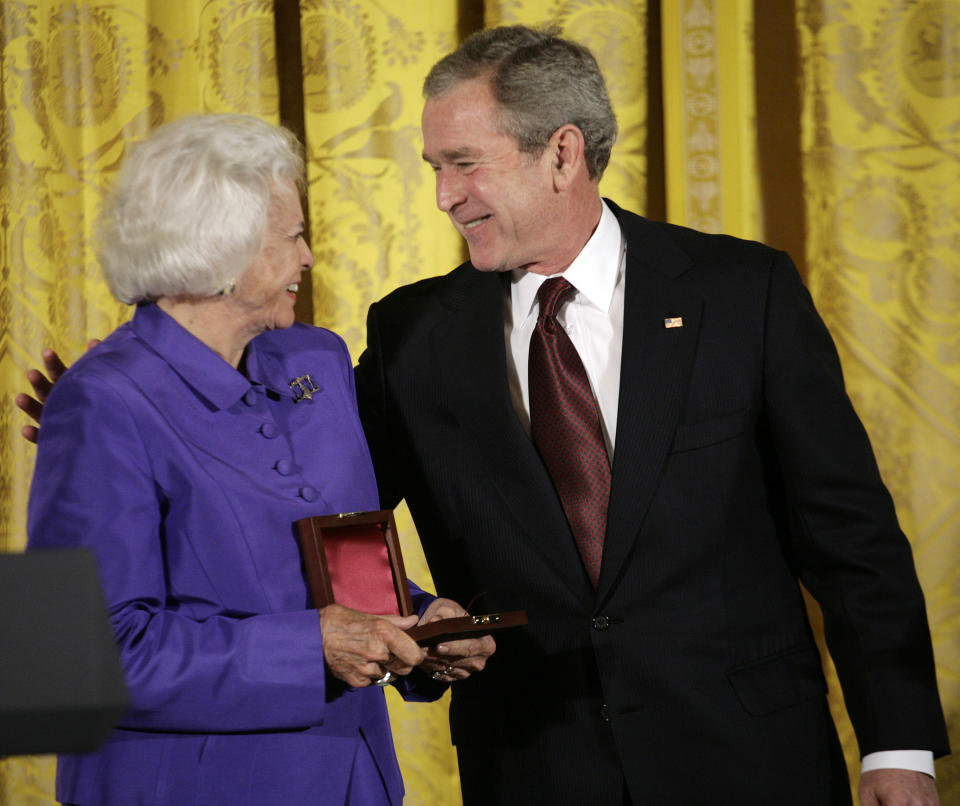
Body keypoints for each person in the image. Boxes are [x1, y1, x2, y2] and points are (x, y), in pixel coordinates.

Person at [19, 26, 949, 806]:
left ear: (563, 153)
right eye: (433, 166)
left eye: (464, 163)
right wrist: (120, 422)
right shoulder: (414, 332)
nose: (443, 195)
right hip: (533, 767)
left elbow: (850, 533)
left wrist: (899, 745)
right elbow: (323, 521)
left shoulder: (744, 293)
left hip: (747, 761)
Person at [22, 114, 493, 806]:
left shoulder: (318, 359)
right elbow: (77, 660)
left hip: (356, 778)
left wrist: (420, 629)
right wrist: (311, 649)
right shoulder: (100, 401)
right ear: (220, 251)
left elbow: (342, 567)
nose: (308, 258)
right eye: (293, 237)